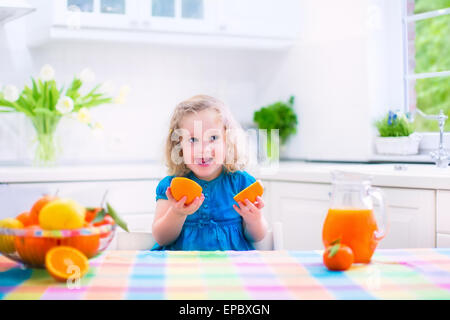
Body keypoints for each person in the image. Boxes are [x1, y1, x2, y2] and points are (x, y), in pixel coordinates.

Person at [151, 95, 268, 250]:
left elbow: (257, 237)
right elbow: (162, 238)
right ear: (178, 146)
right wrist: (176, 213)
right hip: (181, 268)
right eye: (193, 140)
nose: (203, 149)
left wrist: (254, 219)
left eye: (213, 137)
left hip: (231, 268)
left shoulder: (242, 184)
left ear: (228, 141)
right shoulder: (172, 186)